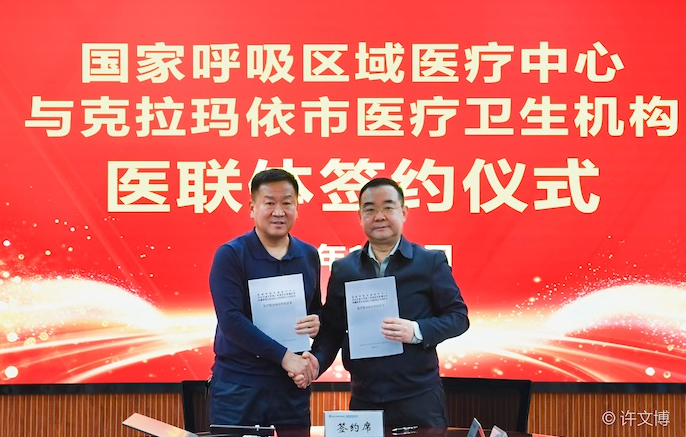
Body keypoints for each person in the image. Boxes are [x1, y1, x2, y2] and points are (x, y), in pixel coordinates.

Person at [298, 177, 469, 428]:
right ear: (360, 216)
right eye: (370, 209)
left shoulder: (429, 262)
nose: (379, 216)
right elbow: (332, 330)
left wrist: (416, 331)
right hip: (365, 396)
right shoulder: (344, 269)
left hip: (418, 397)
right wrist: (317, 360)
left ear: (404, 212)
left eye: (388, 207)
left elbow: (458, 317)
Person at [208, 168, 321, 427]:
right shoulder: (230, 255)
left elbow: (316, 308)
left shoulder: (308, 255)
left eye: (287, 203)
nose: (278, 212)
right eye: (269, 203)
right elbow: (231, 320)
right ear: (252, 208)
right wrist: (285, 356)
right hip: (239, 388)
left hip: (291, 387)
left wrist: (317, 322)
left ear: (297, 207)